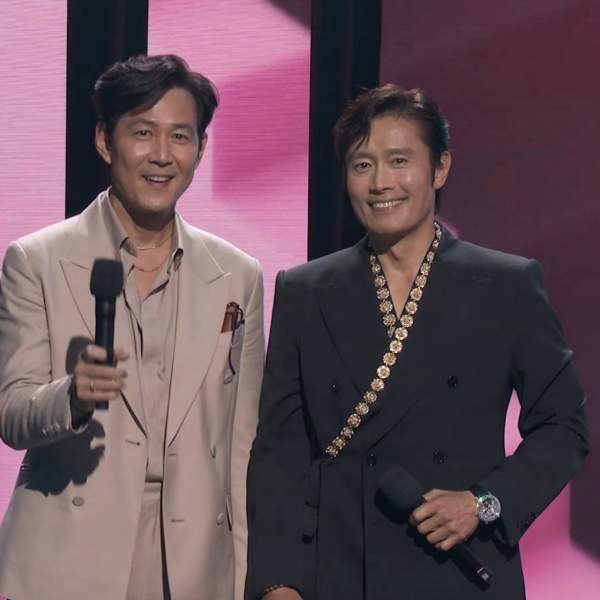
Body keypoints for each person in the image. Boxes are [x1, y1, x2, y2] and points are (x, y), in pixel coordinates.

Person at [245, 85, 588, 599]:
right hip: (339, 573)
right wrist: (278, 581)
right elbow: (280, 451)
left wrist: (483, 503)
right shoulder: (306, 291)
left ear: (440, 168)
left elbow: (564, 427)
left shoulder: (505, 285)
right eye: (362, 165)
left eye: (399, 161)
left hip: (459, 569)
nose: (381, 182)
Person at [0, 54, 264, 600]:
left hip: (193, 563)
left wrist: (243, 576)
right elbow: (12, 413)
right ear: (105, 141)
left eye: (180, 136)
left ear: (201, 148)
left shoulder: (237, 275)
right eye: (143, 132)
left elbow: (242, 446)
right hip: (69, 556)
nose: (162, 155)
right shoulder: (37, 260)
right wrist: (71, 397)